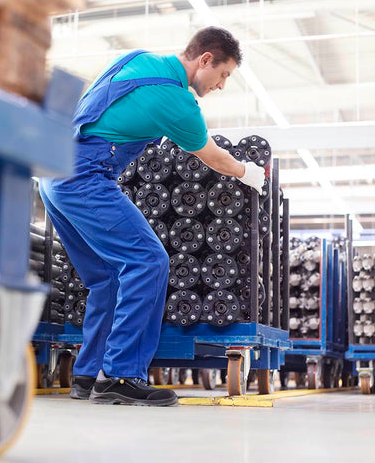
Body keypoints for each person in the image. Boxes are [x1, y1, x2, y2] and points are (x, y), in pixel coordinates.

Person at [39, 26, 265, 406]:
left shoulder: (137, 59)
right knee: (149, 260)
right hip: (83, 176)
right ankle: (121, 375)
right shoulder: (177, 101)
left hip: (52, 173)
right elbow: (213, 156)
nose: (222, 85)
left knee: (106, 277)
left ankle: (85, 374)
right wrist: (249, 173)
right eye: (223, 74)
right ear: (205, 60)